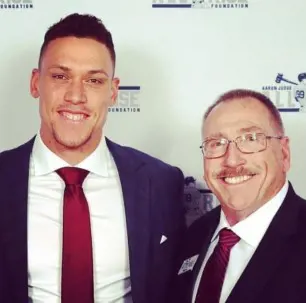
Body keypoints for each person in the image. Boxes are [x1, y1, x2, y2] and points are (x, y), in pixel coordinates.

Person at [0, 13, 186, 303]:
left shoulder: (160, 182)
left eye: (94, 81)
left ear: (113, 92)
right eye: (60, 76)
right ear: (36, 83)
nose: (76, 95)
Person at [168, 89, 306, 303]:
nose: (232, 161)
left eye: (251, 138)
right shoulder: (196, 233)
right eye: (216, 143)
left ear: (284, 154)